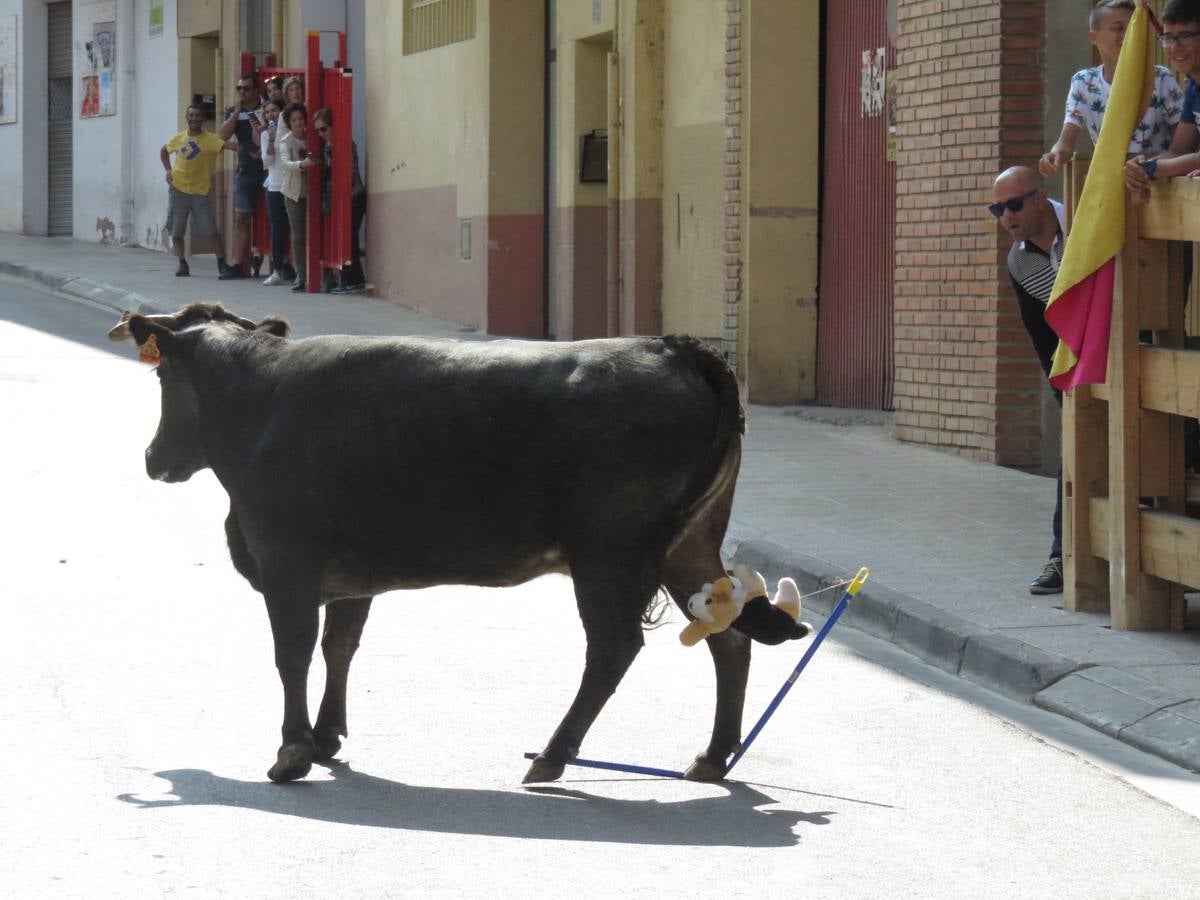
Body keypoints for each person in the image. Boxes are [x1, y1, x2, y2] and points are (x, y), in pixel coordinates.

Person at [991, 166, 1066, 594]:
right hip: (1078, 363)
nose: (1007, 215)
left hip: (1128, 343)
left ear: (1039, 198)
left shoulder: (1081, 222)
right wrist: (1062, 391)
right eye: (998, 209)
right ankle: (1061, 558)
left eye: (1014, 204)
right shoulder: (1019, 261)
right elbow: (1041, 332)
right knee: (1074, 456)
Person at [1041, 0, 1183, 177]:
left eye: (1133, 28)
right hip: (1110, 183)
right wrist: (1055, 155)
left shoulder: (1161, 78)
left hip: (1156, 182)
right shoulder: (1083, 82)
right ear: (1093, 37)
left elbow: (1183, 143)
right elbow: (1066, 141)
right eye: (1119, 28)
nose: (1128, 36)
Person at [1126, 0, 1200, 199]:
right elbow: (1178, 150)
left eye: (1185, 36)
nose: (1175, 47)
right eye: (1168, 37)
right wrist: (1140, 167)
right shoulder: (1194, 87)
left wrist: (1155, 168)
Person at [159, 103, 235, 278]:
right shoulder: (177, 138)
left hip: (200, 193)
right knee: (176, 230)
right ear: (187, 118)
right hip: (178, 190)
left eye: (198, 115)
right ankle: (182, 264)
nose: (194, 118)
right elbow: (164, 151)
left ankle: (222, 265)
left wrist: (252, 149)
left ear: (203, 118)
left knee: (210, 229)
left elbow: (228, 146)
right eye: (191, 115)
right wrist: (168, 170)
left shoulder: (210, 140)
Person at [310, 106, 367, 293]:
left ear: (333, 126)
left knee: (348, 240)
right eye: (317, 130)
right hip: (342, 198)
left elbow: (348, 175)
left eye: (323, 129)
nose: (320, 134)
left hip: (353, 196)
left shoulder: (344, 145)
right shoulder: (329, 146)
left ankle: (353, 280)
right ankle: (347, 279)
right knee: (344, 239)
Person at [216, 73, 267, 280]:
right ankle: (237, 263)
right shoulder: (233, 111)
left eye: (246, 88)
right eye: (239, 89)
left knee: (274, 216)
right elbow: (222, 135)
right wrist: (237, 112)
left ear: (256, 90)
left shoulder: (267, 108)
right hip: (245, 171)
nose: (242, 92)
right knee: (241, 218)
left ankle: (279, 263)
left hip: (267, 170)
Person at [258, 100, 294, 286]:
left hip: (292, 185)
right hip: (274, 186)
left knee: (295, 228)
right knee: (277, 229)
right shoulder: (265, 135)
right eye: (267, 112)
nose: (271, 114)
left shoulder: (291, 132)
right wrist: (271, 138)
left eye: (274, 110)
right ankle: (277, 268)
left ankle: (296, 268)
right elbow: (267, 160)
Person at [278, 102, 309, 292]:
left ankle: (322, 273)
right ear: (289, 123)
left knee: (316, 233)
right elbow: (285, 163)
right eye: (294, 120)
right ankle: (301, 274)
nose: (298, 122)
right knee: (298, 235)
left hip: (313, 191)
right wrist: (302, 165)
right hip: (294, 193)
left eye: (300, 118)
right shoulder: (286, 141)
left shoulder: (311, 138)